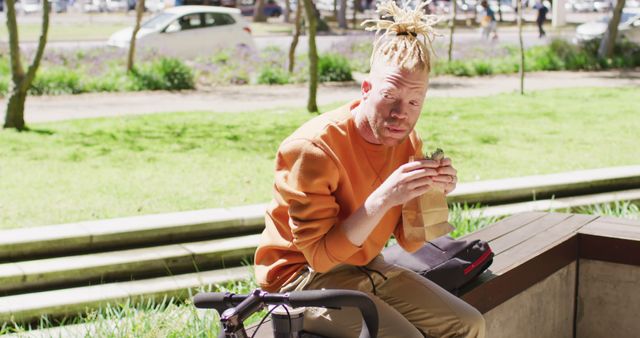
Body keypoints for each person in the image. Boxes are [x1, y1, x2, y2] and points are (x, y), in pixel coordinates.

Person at [254, 1, 486, 337]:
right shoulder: (313, 149)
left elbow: (409, 241)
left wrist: (431, 190)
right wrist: (384, 197)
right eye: (389, 96)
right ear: (366, 89)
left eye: (414, 101)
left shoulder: (408, 143)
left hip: (365, 266)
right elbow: (320, 258)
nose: (400, 114)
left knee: (469, 324)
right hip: (299, 281)